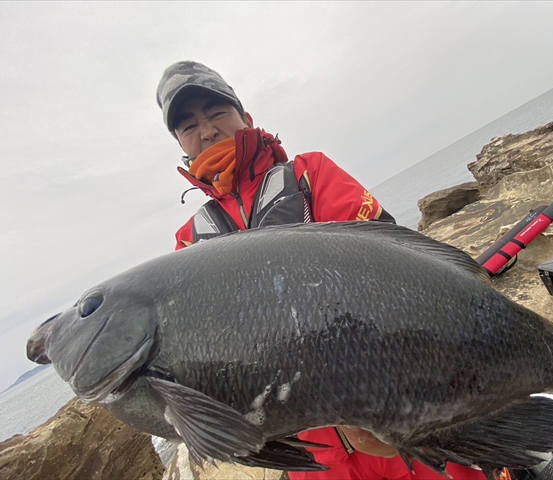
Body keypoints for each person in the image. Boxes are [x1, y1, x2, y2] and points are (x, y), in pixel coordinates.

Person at [156, 61, 494, 480]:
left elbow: (389, 263)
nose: (206, 130)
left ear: (246, 118)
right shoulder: (188, 243)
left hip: (404, 406)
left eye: (215, 112)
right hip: (315, 458)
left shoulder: (308, 175)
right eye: (187, 125)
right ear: (180, 144)